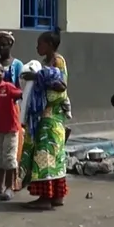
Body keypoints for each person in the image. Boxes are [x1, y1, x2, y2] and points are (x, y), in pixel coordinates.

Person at [21, 63, 69, 210]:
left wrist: (36, 78)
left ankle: (45, 198)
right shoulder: (62, 90)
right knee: (58, 161)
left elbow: (56, 87)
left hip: (47, 126)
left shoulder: (50, 87)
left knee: (44, 161)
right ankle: (57, 196)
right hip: (58, 125)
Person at [0, 30, 25, 193]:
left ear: (11, 45)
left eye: (5, 44)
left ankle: (11, 184)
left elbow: (22, 90)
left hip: (11, 111)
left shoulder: (17, 65)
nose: (2, 47)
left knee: (11, 152)